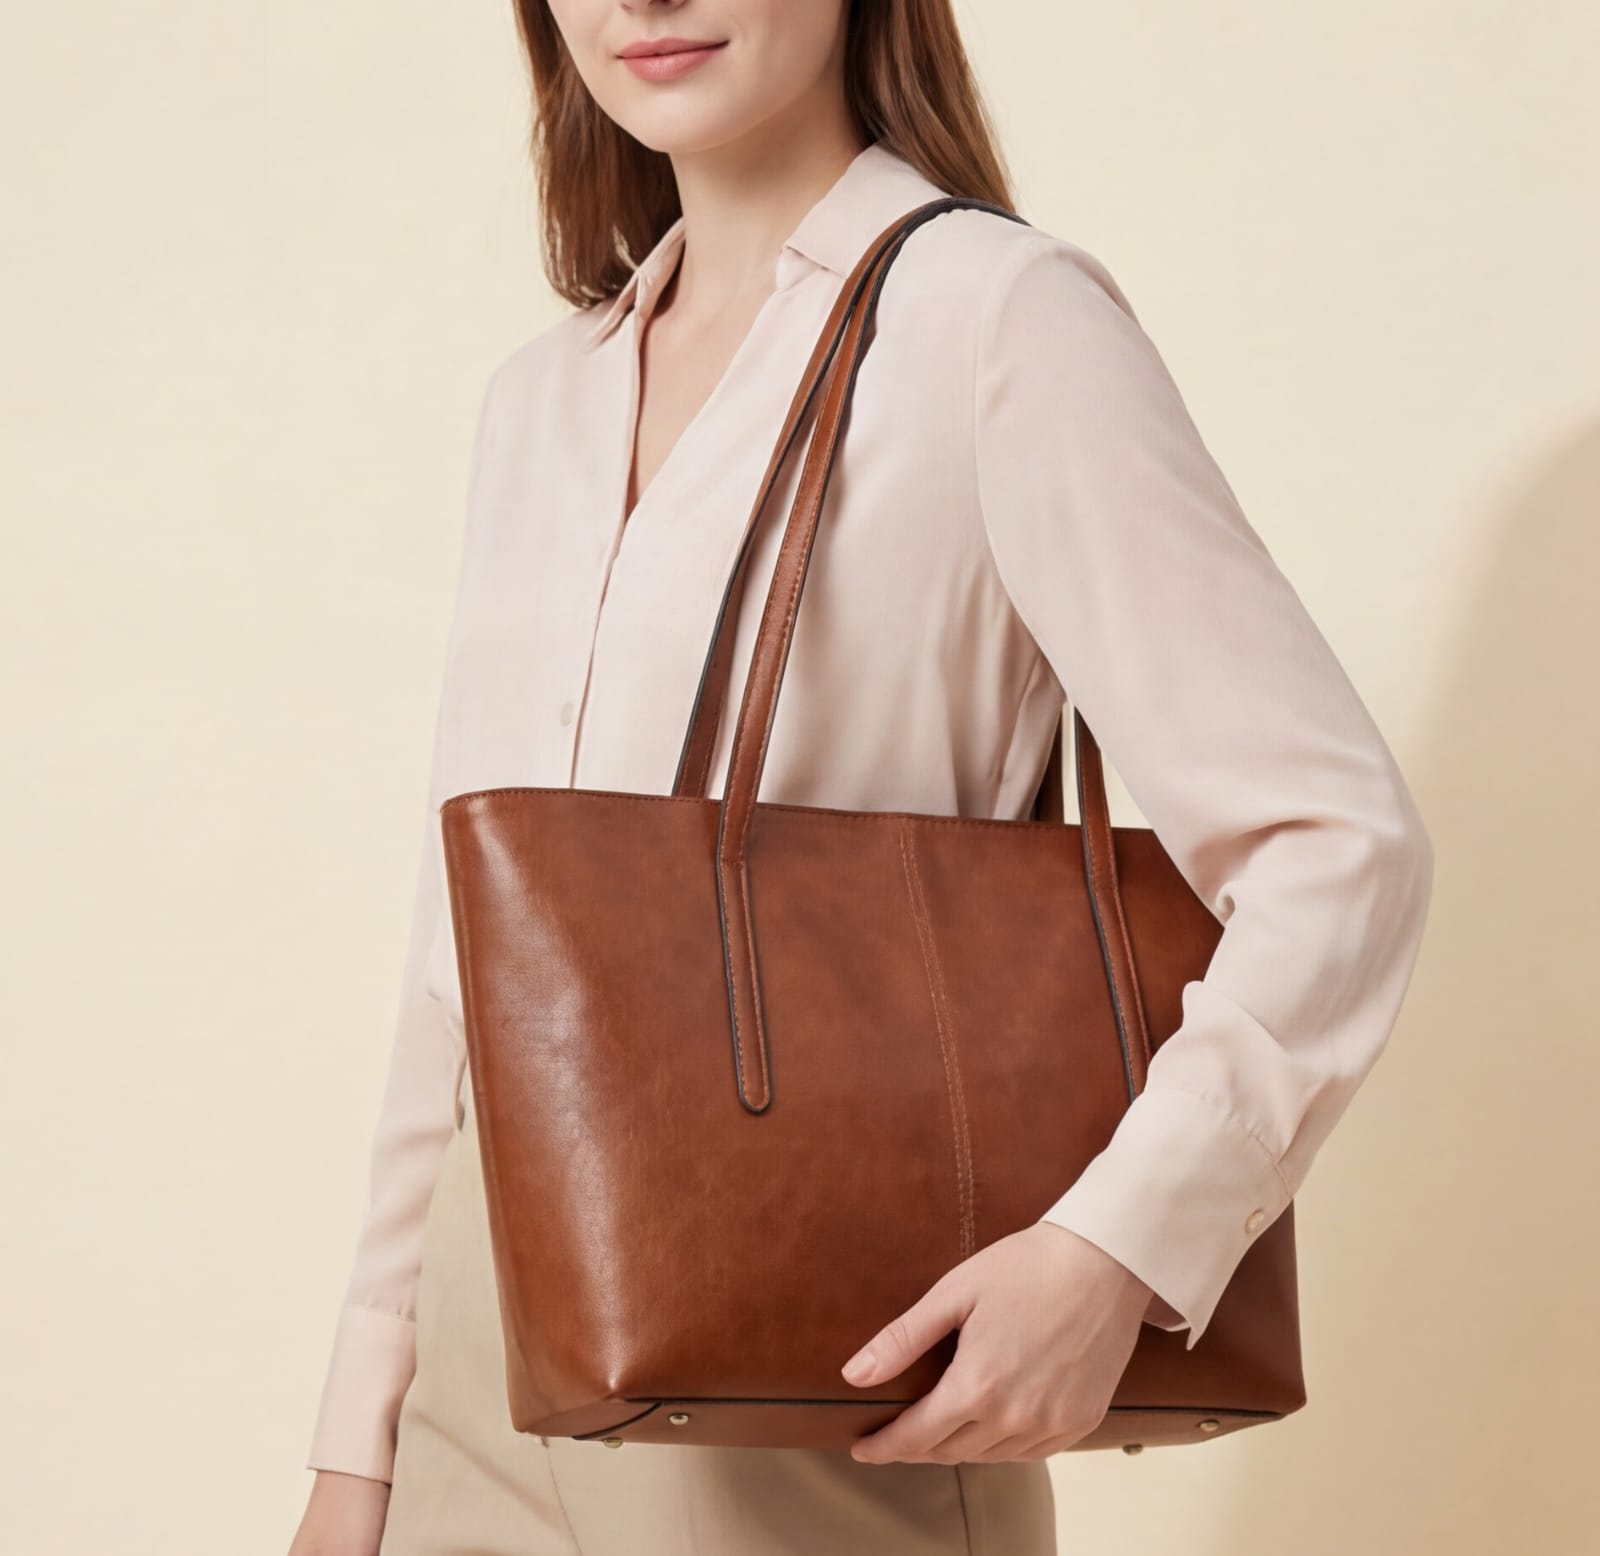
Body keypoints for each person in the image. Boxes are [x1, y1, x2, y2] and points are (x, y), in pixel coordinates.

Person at [287, 2, 1435, 1552]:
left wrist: (1115, 1244)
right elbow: (469, 963)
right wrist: (360, 1451)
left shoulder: (993, 317)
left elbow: (1336, 841)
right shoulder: (540, 400)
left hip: (821, 1370)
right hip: (479, 1383)